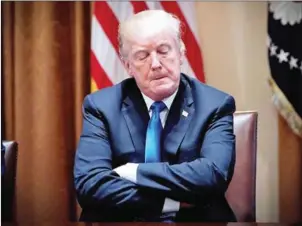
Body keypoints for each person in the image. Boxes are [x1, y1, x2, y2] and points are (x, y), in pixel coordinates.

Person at [74, 9, 236, 222]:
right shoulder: (101, 106)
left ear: (181, 53)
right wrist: (171, 203)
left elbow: (212, 175)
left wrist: (135, 172)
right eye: (143, 56)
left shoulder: (215, 105)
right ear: (128, 66)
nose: (156, 64)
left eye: (164, 51)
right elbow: (90, 184)